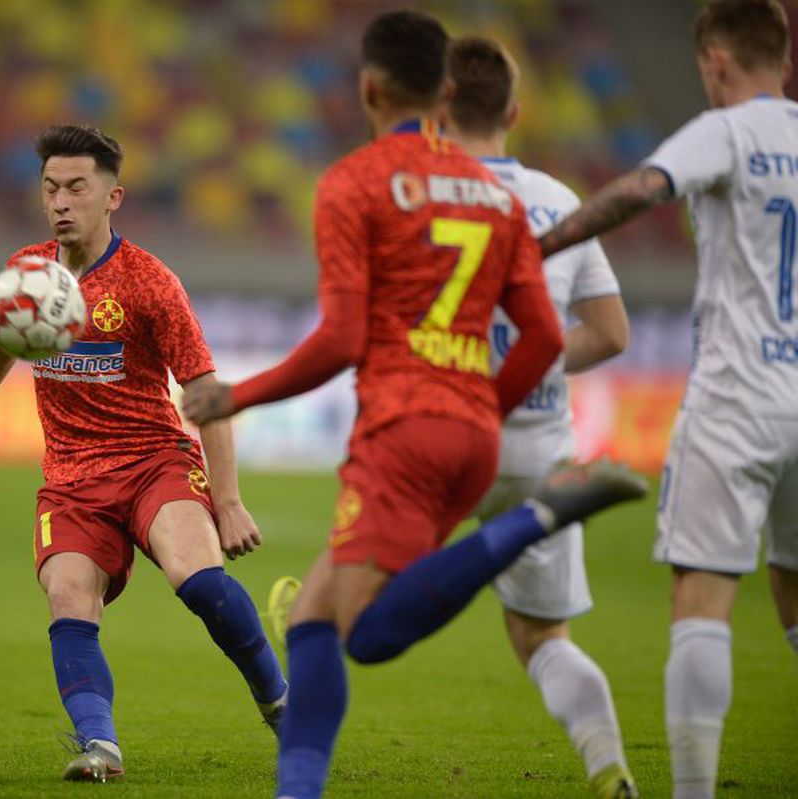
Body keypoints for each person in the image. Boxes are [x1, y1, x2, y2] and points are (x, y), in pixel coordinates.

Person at [183, 11, 648, 799]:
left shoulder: (354, 182)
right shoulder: (498, 197)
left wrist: (238, 394)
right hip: (477, 431)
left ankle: (538, 516)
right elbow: (543, 334)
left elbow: (342, 337)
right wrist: (484, 409)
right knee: (312, 617)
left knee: (364, 631)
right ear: (442, 91)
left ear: (368, 89)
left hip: (403, 431)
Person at [0, 124, 287, 783]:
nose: (60, 202)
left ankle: (279, 700)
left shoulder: (149, 283)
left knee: (199, 580)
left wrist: (228, 499)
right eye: (50, 188)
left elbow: (205, 390)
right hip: (72, 481)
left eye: (77, 187)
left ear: (112, 197)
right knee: (68, 597)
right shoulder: (30, 275)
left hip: (154, 460)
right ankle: (100, 746)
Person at [538, 2, 798, 796]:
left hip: (737, 394)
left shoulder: (726, 132)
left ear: (716, 61)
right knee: (792, 585)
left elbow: (643, 189)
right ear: (785, 58)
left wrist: (541, 245)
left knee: (701, 594)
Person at [441, 37, 637, 799]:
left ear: (440, 108)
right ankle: (607, 760)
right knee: (542, 637)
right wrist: (533, 366)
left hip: (440, 439)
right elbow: (611, 332)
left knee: (343, 600)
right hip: (539, 446)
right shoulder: (559, 198)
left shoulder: (419, 191)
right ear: (515, 113)